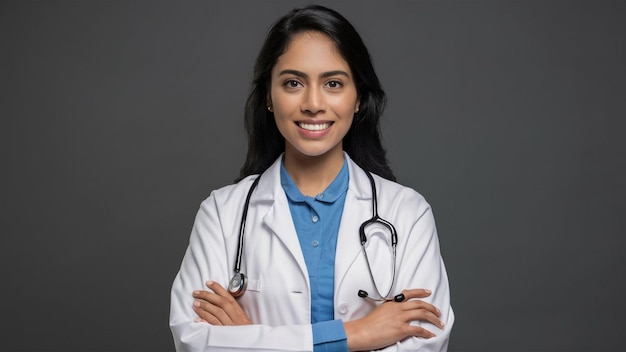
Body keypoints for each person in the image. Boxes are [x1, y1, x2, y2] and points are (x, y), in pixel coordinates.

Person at [170, 4, 454, 351]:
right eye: (293, 83)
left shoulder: (408, 213)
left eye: (333, 83)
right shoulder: (222, 213)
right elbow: (194, 341)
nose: (313, 103)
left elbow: (426, 344)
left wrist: (250, 338)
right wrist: (357, 334)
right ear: (269, 98)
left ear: (358, 98)